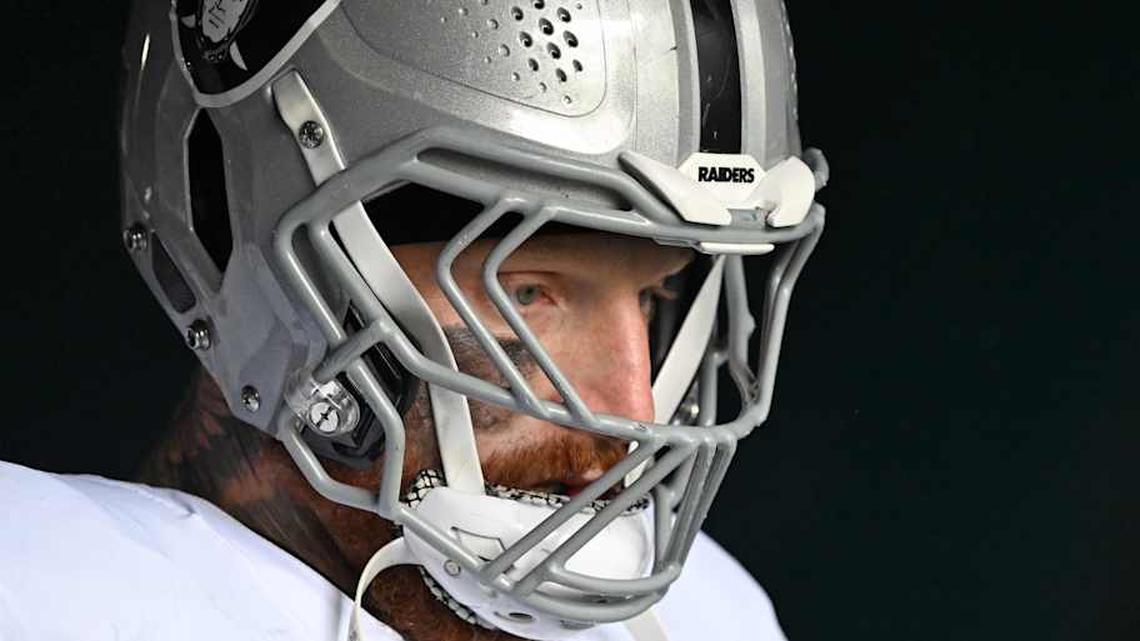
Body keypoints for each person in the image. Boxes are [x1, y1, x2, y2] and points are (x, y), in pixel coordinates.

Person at [0, 1, 828, 639]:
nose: (632, 407)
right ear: (234, 239)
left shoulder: (715, 613)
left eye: (651, 298)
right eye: (529, 291)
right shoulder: (45, 588)